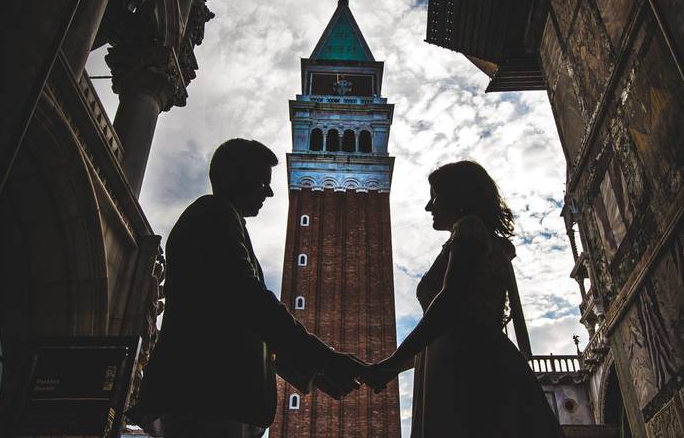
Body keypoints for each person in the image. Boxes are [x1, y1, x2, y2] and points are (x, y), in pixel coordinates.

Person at [128, 139, 366, 438]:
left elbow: (237, 318)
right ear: (235, 176)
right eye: (262, 181)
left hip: (212, 398)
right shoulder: (214, 212)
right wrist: (324, 358)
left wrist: (315, 371)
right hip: (207, 395)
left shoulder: (224, 219)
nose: (269, 191)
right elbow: (248, 299)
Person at [363, 160, 566, 438]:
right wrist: (393, 368)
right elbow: (446, 324)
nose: (428, 206)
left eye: (434, 196)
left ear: (458, 197)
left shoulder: (469, 228)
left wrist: (392, 360)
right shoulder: (484, 237)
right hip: (474, 357)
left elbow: (449, 302)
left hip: (464, 365)